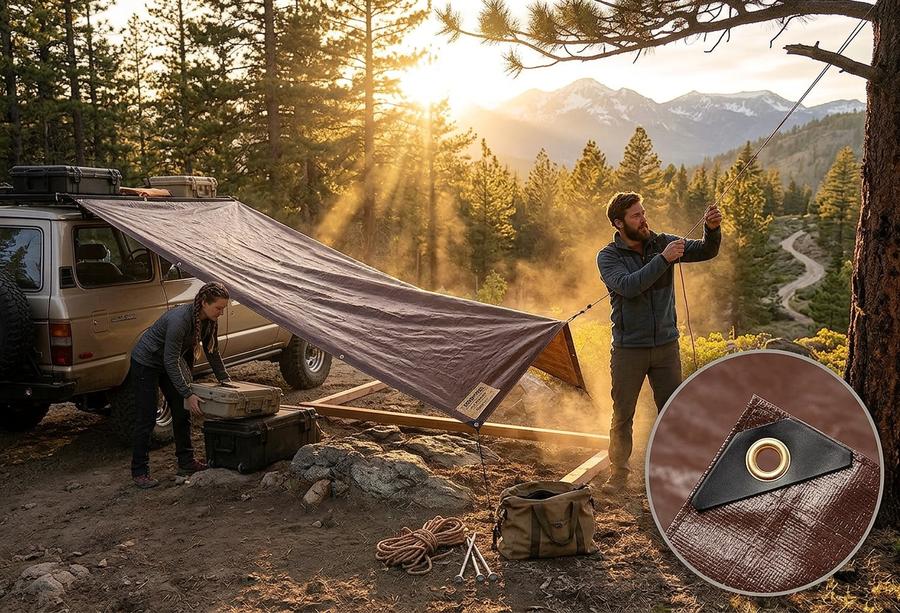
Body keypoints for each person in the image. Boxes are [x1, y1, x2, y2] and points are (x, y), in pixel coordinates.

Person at [597, 192, 722, 494]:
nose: (644, 219)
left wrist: (712, 229)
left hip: (667, 346)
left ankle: (676, 472)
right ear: (618, 222)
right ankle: (619, 473)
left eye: (643, 213)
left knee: (671, 410)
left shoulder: (661, 240)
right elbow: (629, 287)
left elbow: (706, 250)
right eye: (636, 216)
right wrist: (663, 259)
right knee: (623, 412)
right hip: (629, 349)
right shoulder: (609, 257)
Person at [129, 281, 233, 488]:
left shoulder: (210, 320)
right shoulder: (180, 320)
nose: (221, 312)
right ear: (204, 302)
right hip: (146, 363)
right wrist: (187, 392)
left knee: (181, 412)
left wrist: (225, 379)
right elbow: (170, 360)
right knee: (147, 417)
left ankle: (186, 462)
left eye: (223, 308)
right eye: (218, 308)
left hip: (168, 362)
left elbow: (212, 351)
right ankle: (139, 471)